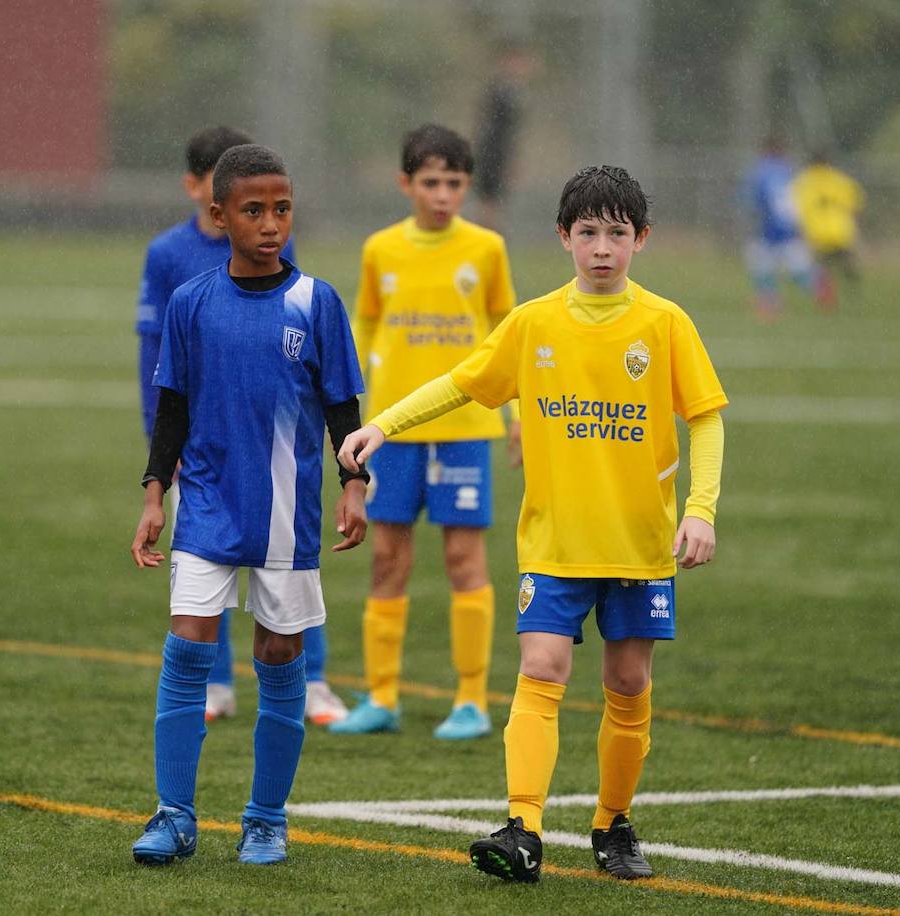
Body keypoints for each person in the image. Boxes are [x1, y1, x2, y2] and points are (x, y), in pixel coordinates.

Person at [338, 165, 727, 883]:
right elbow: (464, 382)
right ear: (563, 238)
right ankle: (524, 826)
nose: (602, 248)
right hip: (554, 543)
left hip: (640, 546)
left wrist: (699, 511)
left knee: (629, 681)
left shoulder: (665, 323)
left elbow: (705, 418)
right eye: (588, 233)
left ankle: (613, 823)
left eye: (617, 234)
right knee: (541, 669)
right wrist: (383, 426)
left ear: (641, 240)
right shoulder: (534, 322)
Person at [130, 144, 369, 867]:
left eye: (282, 209)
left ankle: (266, 819)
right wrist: (153, 494)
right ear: (219, 214)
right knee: (188, 647)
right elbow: (171, 407)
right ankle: (174, 815)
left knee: (277, 653)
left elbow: (341, 407)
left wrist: (353, 483)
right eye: (254, 210)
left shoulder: (315, 301)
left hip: (284, 516)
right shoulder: (191, 302)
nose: (270, 223)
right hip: (205, 503)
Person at [329, 124, 517, 741]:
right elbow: (366, 326)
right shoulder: (380, 249)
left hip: (465, 427)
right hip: (392, 431)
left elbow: (506, 337)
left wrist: (515, 417)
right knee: (387, 558)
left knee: (465, 558)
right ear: (406, 184)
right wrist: (349, 411)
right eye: (431, 182)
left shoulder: (487, 249)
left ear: (467, 187)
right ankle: (381, 697)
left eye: (455, 183)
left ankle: (471, 700)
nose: (442, 195)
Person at [743, 136, 831, 320]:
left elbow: (752, 200)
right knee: (795, 269)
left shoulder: (761, 172)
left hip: (770, 228)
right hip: (791, 228)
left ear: (765, 151)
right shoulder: (790, 172)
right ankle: (819, 285)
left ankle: (770, 303)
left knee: (762, 264)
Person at [473, 41, 536, 231]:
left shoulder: (510, 91)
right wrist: (505, 159)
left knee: (493, 202)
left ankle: (489, 240)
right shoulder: (502, 92)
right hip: (492, 153)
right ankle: (487, 241)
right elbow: (497, 131)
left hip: (494, 153)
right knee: (490, 202)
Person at [792, 150, 865, 307]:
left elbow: (797, 209)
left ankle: (825, 297)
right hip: (840, 231)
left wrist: (800, 230)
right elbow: (855, 204)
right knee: (847, 265)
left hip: (817, 233)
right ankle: (855, 296)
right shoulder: (839, 179)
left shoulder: (804, 181)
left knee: (820, 269)